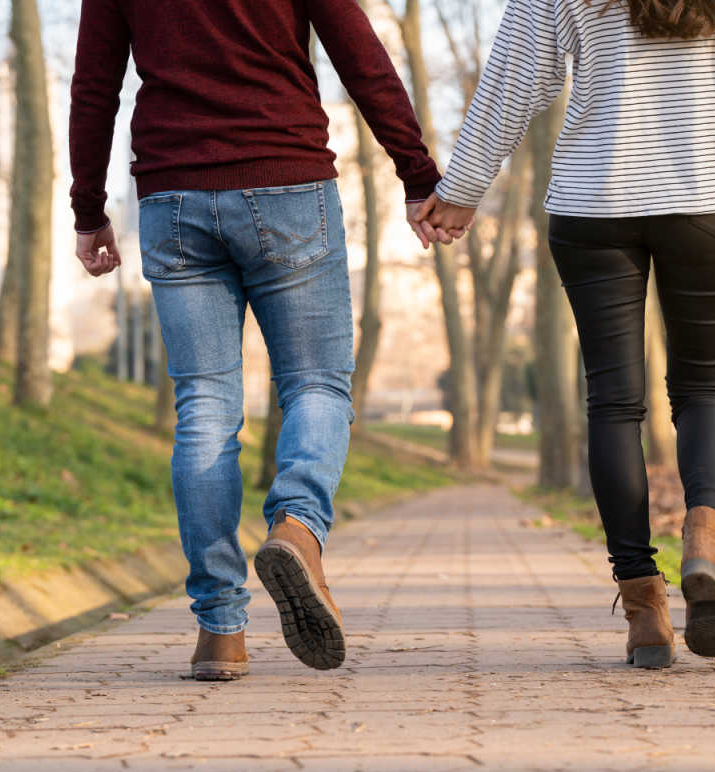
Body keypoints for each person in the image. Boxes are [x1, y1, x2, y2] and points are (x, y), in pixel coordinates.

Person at [418, 0, 715, 667]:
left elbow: (515, 76)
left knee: (614, 402)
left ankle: (644, 612)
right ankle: (704, 544)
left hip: (595, 200)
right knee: (701, 391)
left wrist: (463, 188)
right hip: (712, 200)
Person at [68, 0, 447, 678]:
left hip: (173, 195)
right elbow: (359, 54)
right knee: (317, 383)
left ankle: (219, 629)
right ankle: (297, 527)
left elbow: (95, 83)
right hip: (288, 180)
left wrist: (89, 209)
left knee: (205, 409)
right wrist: (415, 172)